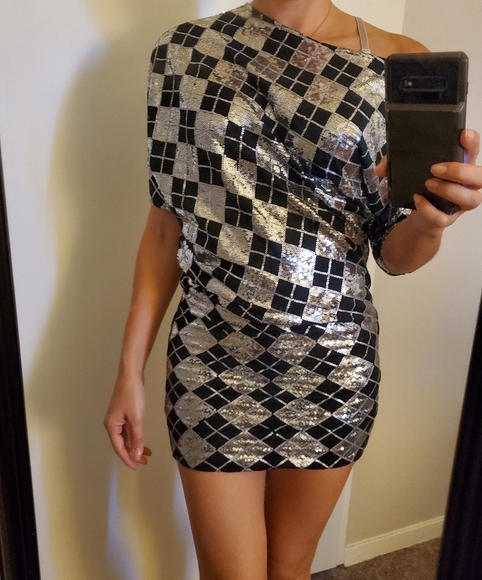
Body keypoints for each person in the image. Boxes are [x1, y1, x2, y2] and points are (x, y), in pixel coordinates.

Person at [104, 1, 482, 579]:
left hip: (334, 358)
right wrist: (129, 371)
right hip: (213, 355)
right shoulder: (183, 51)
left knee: (289, 568)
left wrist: (431, 223)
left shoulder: (398, 61)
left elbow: (394, 253)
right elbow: (164, 226)